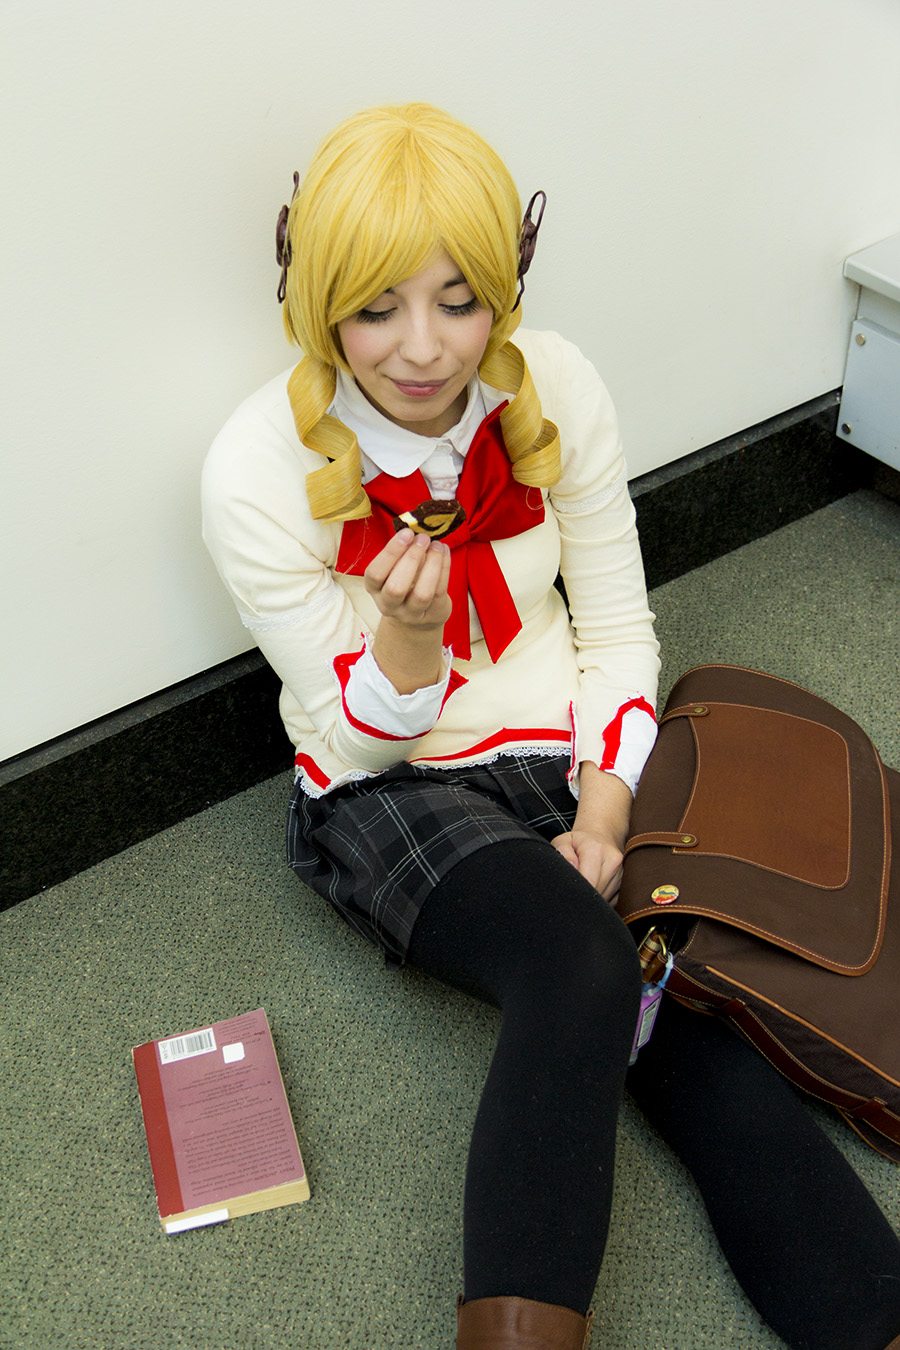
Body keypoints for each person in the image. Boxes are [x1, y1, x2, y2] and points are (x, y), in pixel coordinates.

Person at [202, 103, 900, 1350]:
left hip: (570, 750)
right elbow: (355, 743)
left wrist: (606, 807)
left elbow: (620, 628)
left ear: (507, 284)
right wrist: (408, 646)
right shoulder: (254, 468)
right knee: (582, 961)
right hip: (383, 781)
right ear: (317, 302)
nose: (424, 349)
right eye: (377, 309)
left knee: (678, 1003)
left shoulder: (558, 385)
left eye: (460, 301)